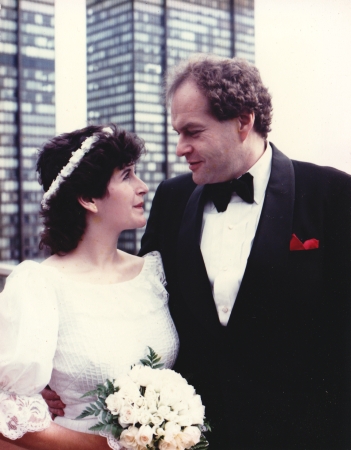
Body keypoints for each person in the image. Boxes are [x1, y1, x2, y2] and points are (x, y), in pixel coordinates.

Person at [139, 55, 351, 448]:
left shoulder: (334, 195)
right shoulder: (170, 197)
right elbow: (141, 303)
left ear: (243, 121)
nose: (179, 148)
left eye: (192, 132)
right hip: (194, 437)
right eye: (177, 132)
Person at [0, 125, 179, 449]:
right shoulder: (38, 286)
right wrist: (107, 447)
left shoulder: (153, 273)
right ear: (87, 198)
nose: (143, 187)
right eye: (126, 176)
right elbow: (7, 413)